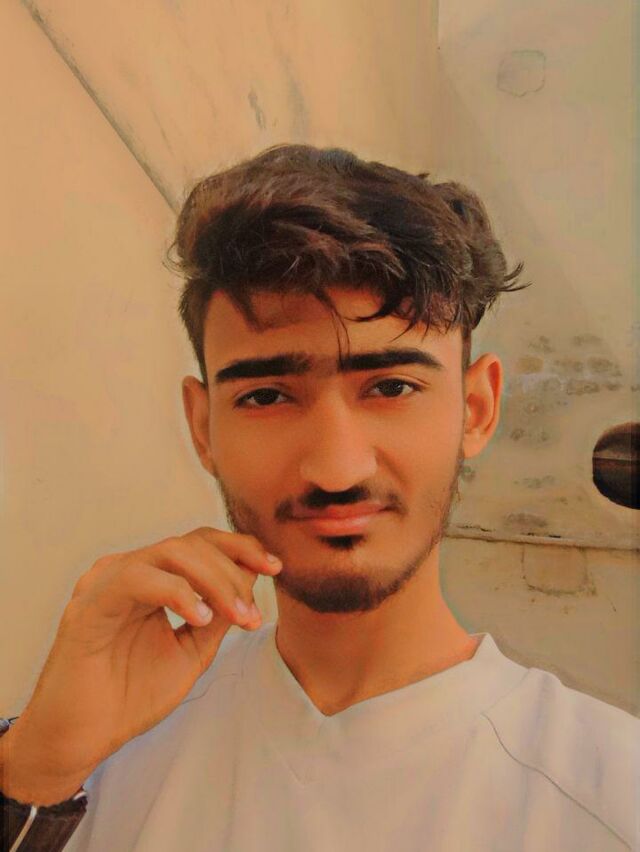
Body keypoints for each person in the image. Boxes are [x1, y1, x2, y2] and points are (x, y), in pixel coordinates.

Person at [1, 144, 637, 852]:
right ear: (203, 426)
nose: (336, 469)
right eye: (266, 396)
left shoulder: (613, 796)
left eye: (392, 387)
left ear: (477, 409)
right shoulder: (90, 761)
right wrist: (32, 773)